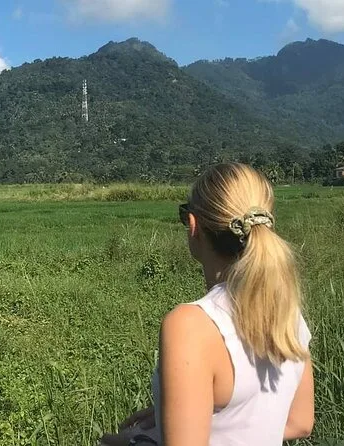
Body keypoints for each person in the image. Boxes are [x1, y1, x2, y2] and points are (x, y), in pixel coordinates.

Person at [101, 163, 314, 446]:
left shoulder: (191, 326)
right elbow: (299, 423)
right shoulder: (287, 313)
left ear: (193, 226)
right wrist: (185, 414)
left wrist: (134, 442)